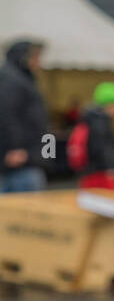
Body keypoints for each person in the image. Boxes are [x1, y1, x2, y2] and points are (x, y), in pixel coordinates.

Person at [0, 39, 50, 193]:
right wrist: (14, 148)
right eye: (35, 57)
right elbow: (6, 114)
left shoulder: (23, 79)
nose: (38, 62)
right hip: (20, 161)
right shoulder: (12, 80)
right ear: (23, 57)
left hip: (27, 158)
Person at [71, 81, 114, 190]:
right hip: (100, 174)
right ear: (108, 104)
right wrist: (111, 168)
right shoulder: (101, 122)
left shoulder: (89, 119)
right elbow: (102, 148)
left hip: (88, 172)